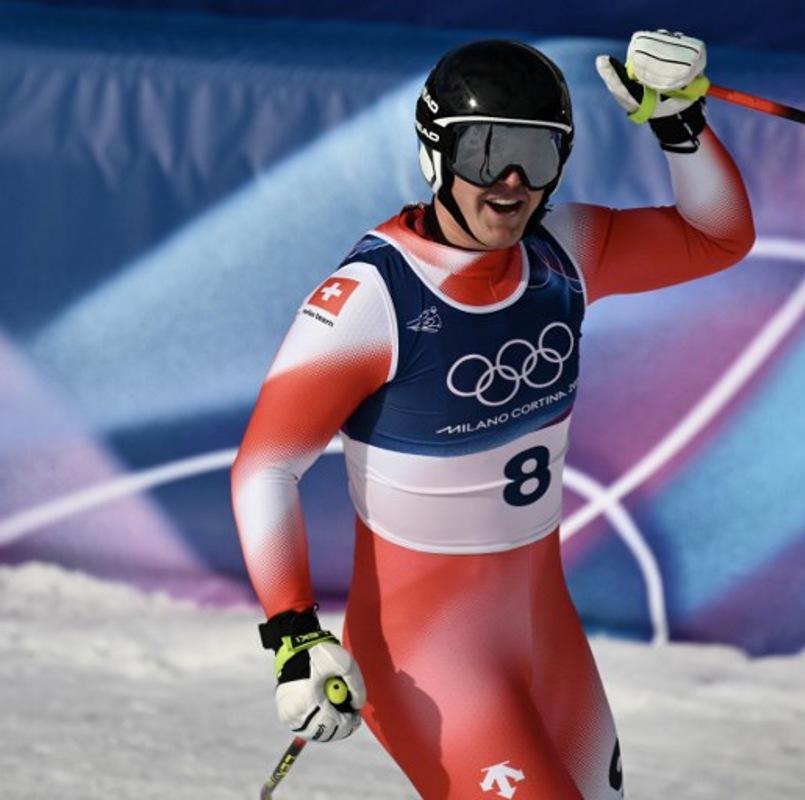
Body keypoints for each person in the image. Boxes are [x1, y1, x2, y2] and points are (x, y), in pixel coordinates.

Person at [232, 30, 754, 799]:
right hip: (427, 661)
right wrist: (293, 638)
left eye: (536, 155)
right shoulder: (375, 299)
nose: (510, 181)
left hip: (544, 634)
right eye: (484, 152)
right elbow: (264, 468)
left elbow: (718, 237)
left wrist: (679, 125)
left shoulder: (564, 252)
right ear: (434, 154)